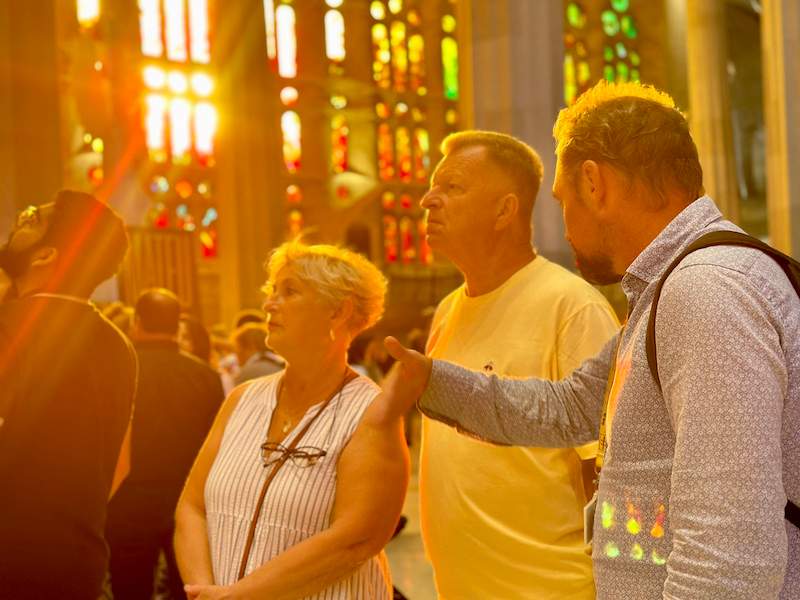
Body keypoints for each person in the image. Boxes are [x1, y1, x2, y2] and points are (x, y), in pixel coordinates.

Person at [380, 80, 799, 599]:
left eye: (561, 199)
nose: (563, 221)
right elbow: (571, 407)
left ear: (594, 184)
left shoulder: (705, 291)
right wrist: (432, 381)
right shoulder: (667, 290)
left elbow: (730, 560)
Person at [416, 130, 619, 598]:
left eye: (452, 187)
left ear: (505, 210)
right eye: (433, 186)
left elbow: (609, 473)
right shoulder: (448, 310)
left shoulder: (571, 307)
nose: (429, 200)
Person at [174, 241, 408, 599]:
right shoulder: (242, 399)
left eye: (289, 292)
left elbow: (354, 540)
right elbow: (192, 507)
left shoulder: (369, 412)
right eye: (272, 291)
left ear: (338, 312)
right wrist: (203, 590)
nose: (269, 303)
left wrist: (240, 595)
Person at [0, 190, 136, 600]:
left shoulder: (8, 329)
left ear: (46, 256)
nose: (18, 223)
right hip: (76, 565)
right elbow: (121, 465)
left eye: (32, 218)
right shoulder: (119, 346)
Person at [106, 288, 225, 600]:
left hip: (127, 502)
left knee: (130, 588)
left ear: (137, 322)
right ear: (178, 325)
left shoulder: (119, 369)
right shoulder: (205, 376)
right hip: (188, 504)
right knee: (186, 588)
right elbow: (218, 445)